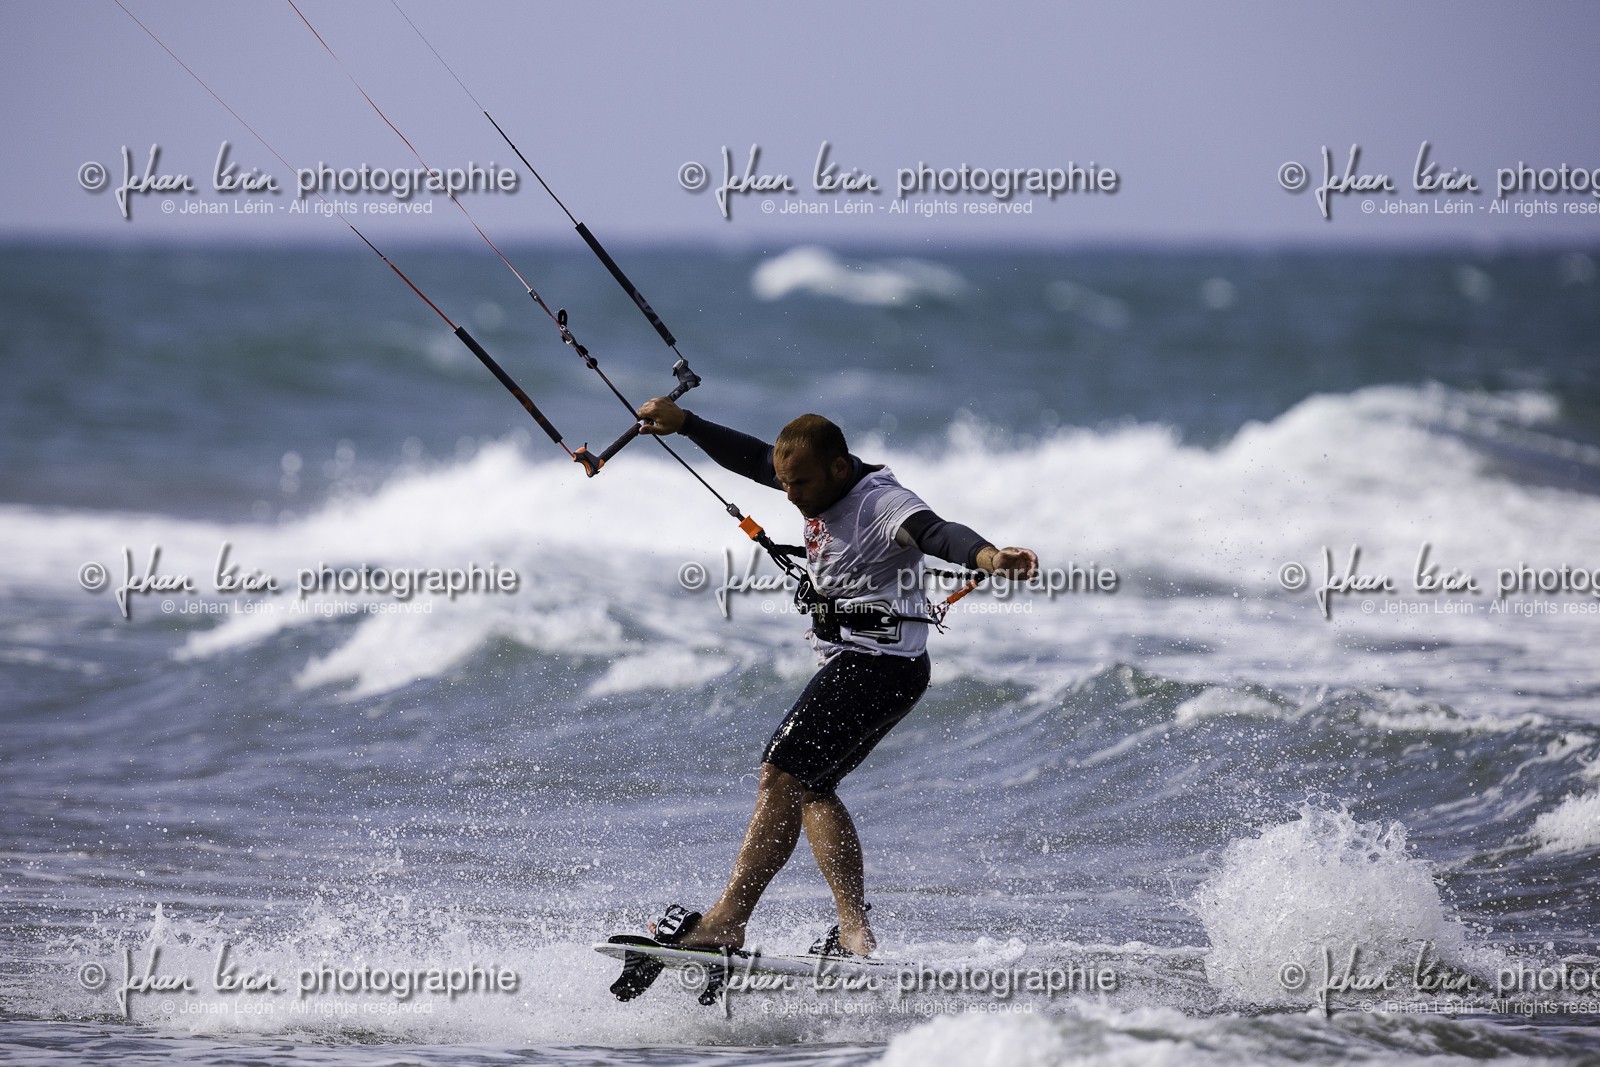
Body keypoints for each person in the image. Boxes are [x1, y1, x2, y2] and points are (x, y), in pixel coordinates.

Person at [633, 397, 1038, 961]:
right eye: (785, 483)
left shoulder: (881, 504)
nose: (790, 496)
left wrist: (990, 558)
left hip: (877, 666)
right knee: (813, 788)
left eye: (798, 484)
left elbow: (937, 532)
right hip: (884, 667)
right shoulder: (818, 483)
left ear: (839, 469)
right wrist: (689, 425)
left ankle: (726, 921)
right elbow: (753, 459)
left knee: (780, 773)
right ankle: (854, 932)